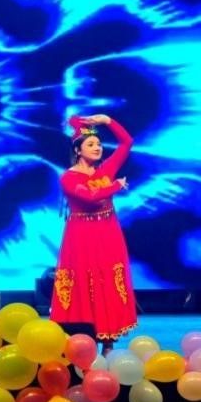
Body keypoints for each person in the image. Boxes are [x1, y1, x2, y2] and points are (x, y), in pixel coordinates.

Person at [50, 114, 135, 350]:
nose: (98, 148)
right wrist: (116, 185)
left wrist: (108, 121)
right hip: (82, 235)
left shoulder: (106, 169)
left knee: (108, 280)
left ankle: (108, 343)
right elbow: (90, 196)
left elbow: (127, 142)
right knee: (84, 283)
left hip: (108, 231)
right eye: (91, 144)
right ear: (78, 150)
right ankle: (83, 342)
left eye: (98, 144)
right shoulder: (68, 178)